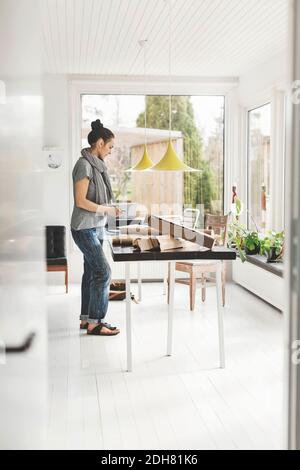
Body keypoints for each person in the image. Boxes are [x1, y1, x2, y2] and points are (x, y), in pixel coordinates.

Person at [71, 119, 122, 336]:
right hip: (84, 228)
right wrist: (106, 210)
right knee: (103, 271)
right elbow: (80, 201)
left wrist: (110, 209)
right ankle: (96, 322)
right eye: (110, 146)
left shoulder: (97, 166)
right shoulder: (83, 165)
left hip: (96, 226)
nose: (110, 151)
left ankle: (86, 319)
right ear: (99, 143)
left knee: (92, 271)